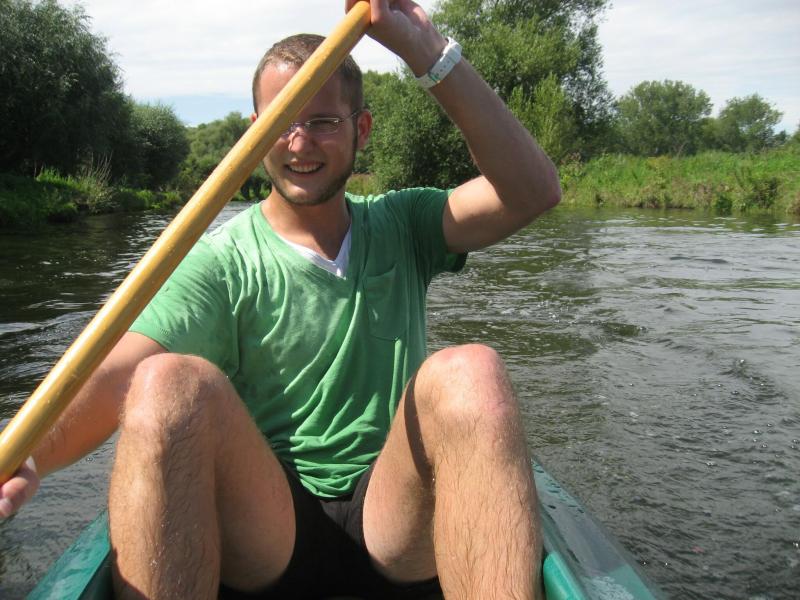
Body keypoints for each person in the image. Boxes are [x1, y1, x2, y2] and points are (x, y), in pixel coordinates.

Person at [0, 0, 561, 597]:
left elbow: (532, 192)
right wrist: (30, 453)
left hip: (393, 514)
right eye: (281, 122)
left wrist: (424, 48)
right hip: (267, 527)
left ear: (361, 129)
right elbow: (116, 373)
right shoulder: (221, 260)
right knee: (164, 384)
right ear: (255, 132)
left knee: (471, 371)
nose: (298, 143)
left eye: (322, 122)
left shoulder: (406, 224)